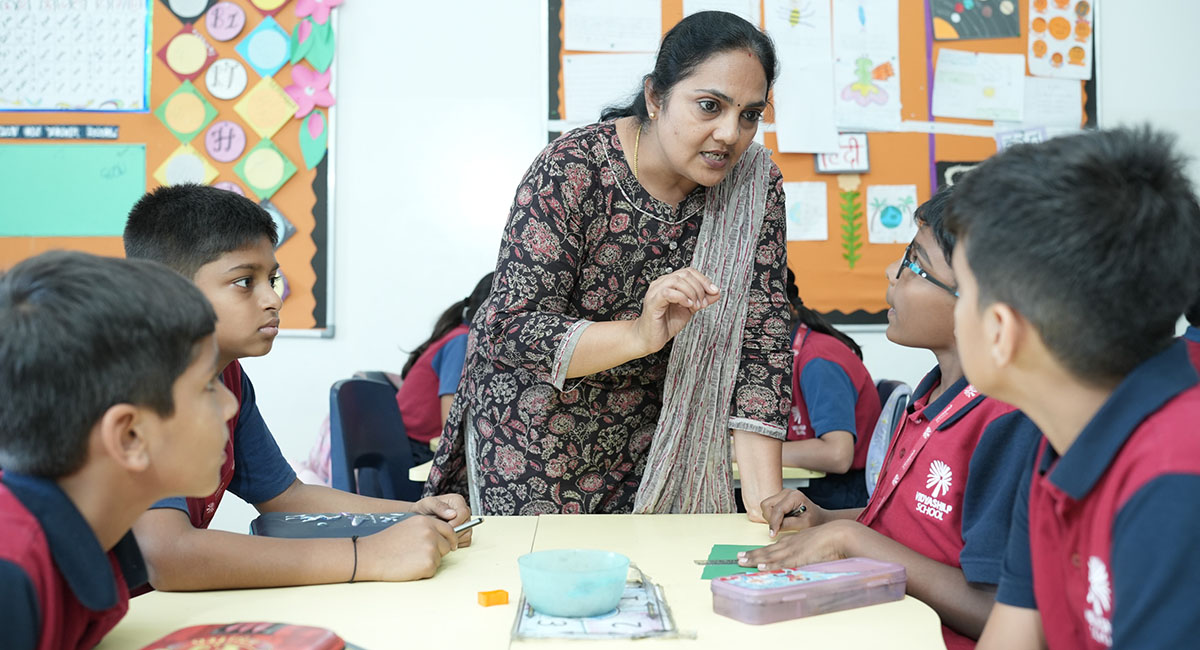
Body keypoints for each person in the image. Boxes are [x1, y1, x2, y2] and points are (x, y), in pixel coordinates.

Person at [424, 11, 794, 518]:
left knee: (662, 588)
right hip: (536, 446)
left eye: (750, 114)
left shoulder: (755, 187)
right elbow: (510, 329)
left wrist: (765, 506)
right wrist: (640, 334)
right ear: (655, 97)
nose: (730, 134)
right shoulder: (574, 169)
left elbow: (761, 344)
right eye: (710, 106)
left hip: (659, 451)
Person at [123, 184, 471, 591]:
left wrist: (413, 514)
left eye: (271, 278)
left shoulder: (229, 378)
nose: (273, 298)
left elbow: (285, 496)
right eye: (243, 282)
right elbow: (167, 555)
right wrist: (367, 556)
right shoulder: (139, 382)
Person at [742, 187, 1042, 650]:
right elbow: (909, 530)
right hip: (877, 620)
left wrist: (848, 538)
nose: (890, 272)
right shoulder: (928, 397)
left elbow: (997, 612)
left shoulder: (1007, 420)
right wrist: (825, 519)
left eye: (914, 263)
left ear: (981, 302)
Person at [946, 128, 1200, 649]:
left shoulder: (1177, 480)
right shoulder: (1061, 439)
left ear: (1001, 331)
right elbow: (1014, 633)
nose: (955, 315)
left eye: (961, 291)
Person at [0, 251, 237, 649]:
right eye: (209, 386)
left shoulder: (100, 538)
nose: (230, 406)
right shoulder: (11, 574)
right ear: (129, 437)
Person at [781, 268, 881, 509]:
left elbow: (837, 455)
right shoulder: (797, 349)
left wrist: (745, 452)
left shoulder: (818, 360)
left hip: (841, 493)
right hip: (824, 483)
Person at [396, 273, 494, 465]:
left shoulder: (458, 334)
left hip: (408, 442)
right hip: (413, 450)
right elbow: (449, 423)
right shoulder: (461, 341)